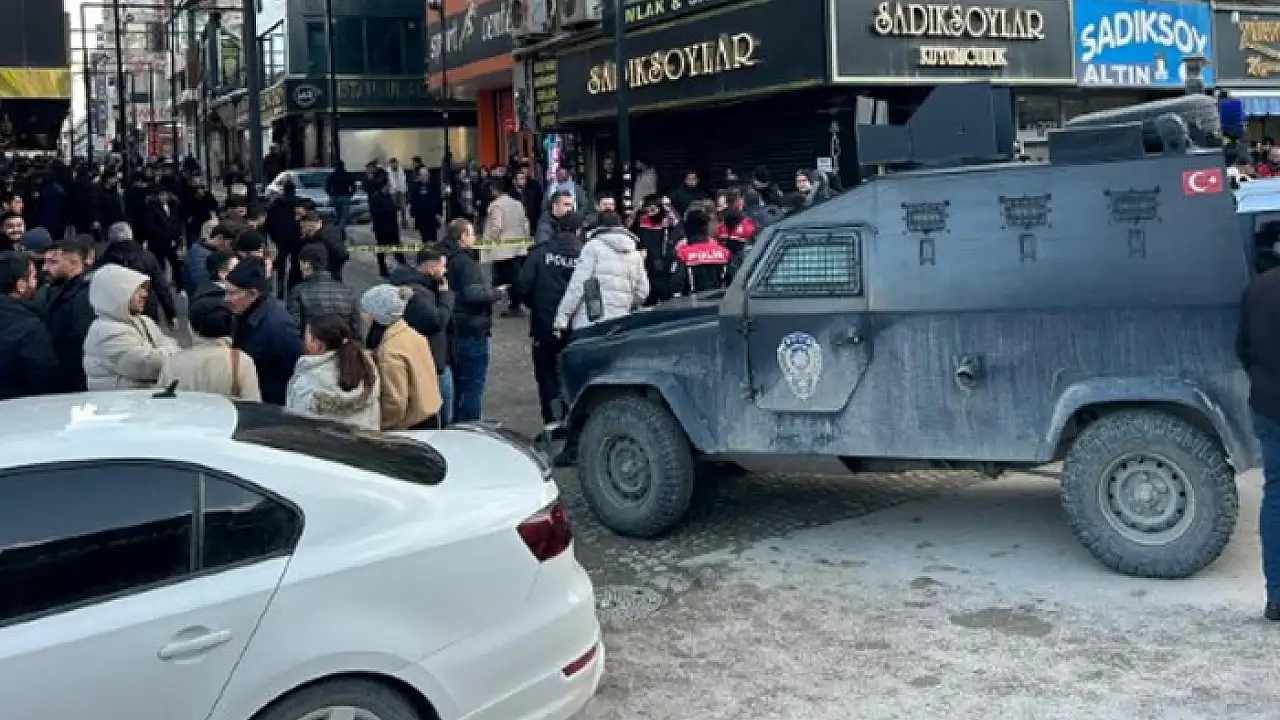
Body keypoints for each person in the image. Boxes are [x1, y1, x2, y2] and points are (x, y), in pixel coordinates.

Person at [1240, 261, 1280, 620]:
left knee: (1276, 497)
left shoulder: (1259, 288)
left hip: (1269, 407)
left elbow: (1242, 348)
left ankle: (1277, 598)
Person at [517, 211, 582, 423]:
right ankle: (573, 422)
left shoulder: (540, 253)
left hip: (544, 325)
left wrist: (536, 306)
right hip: (576, 327)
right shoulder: (585, 254)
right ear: (579, 231)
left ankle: (552, 423)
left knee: (547, 377)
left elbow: (522, 286)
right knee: (574, 376)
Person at [439, 218, 504, 422]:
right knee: (472, 387)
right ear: (463, 237)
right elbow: (474, 295)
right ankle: (470, 427)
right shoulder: (465, 263)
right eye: (472, 234)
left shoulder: (442, 257)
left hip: (450, 331)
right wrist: (496, 293)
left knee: (457, 386)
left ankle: (456, 424)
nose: (475, 237)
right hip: (471, 330)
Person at [82, 263, 180, 390]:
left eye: (144, 289)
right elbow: (150, 365)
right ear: (116, 294)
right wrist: (170, 352)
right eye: (137, 290)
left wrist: (166, 352)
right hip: (118, 401)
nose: (144, 294)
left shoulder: (143, 321)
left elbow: (172, 348)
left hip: (138, 399)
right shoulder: (106, 331)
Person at [361, 284, 442, 430]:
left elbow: (395, 402)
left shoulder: (389, 352)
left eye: (365, 311)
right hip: (428, 413)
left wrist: (379, 425)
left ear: (377, 316)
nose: (362, 315)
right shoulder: (412, 334)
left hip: (410, 424)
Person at [157, 289, 261, 401]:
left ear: (191, 328)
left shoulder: (173, 363)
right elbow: (253, 404)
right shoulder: (241, 362)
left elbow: (160, 401)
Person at [225, 258, 304, 405]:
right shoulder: (242, 313)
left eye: (232, 293)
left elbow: (293, 369)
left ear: (253, 293)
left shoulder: (279, 326)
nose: (226, 299)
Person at [554, 212, 649, 333]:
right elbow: (643, 291)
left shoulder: (593, 247)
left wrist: (562, 318)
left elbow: (578, 285)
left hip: (590, 321)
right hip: (620, 323)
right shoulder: (635, 254)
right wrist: (624, 302)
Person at [392, 247, 456, 426]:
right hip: (432, 362)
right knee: (441, 416)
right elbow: (437, 320)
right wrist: (446, 296)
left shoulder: (422, 287)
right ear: (431, 268)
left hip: (432, 359)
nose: (445, 271)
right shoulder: (419, 294)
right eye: (442, 266)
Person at [286, 313, 381, 430]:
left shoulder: (308, 381)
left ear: (318, 345)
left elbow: (297, 423)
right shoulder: (367, 368)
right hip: (364, 437)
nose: (303, 341)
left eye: (306, 337)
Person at [0, 250, 59, 399]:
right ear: (21, 285)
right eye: (33, 276)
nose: (35, 282)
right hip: (17, 406)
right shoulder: (29, 326)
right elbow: (44, 378)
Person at [40, 236, 96, 392]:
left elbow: (80, 338)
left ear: (74, 262)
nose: (45, 268)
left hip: (75, 379)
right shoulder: (58, 289)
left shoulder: (84, 296)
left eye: (53, 262)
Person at [99, 221, 178, 329]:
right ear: (131, 235)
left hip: (117, 313)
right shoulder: (146, 257)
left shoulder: (104, 261)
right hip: (146, 310)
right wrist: (170, 313)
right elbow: (161, 286)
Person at [482, 179, 531, 317]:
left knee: (505, 278)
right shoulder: (517, 204)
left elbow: (496, 227)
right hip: (518, 246)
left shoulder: (496, 206)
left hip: (502, 249)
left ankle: (510, 302)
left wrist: (490, 242)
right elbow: (525, 223)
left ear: (494, 190)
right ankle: (516, 303)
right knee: (515, 276)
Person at [287, 243, 361, 334]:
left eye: (301, 264)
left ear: (306, 264)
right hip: (342, 341)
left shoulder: (298, 292)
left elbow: (294, 328)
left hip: (312, 340)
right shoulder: (348, 292)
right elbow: (356, 329)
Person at [631, 194, 682, 305]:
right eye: (647, 210)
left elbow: (679, 226)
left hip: (664, 264)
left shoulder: (667, 222)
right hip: (646, 264)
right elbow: (631, 229)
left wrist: (668, 207)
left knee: (666, 297)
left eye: (653, 210)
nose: (650, 213)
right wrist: (637, 210)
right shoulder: (641, 221)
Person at [674, 209, 732, 294]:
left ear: (687, 230)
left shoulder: (683, 255)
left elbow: (676, 285)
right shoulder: (724, 253)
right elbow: (733, 281)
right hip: (720, 300)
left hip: (691, 301)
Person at [145, 184, 185, 292]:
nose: (164, 197)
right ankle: (161, 287)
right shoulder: (152, 208)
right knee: (160, 265)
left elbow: (177, 222)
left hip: (172, 241)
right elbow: (151, 226)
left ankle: (180, 286)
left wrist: (178, 238)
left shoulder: (173, 205)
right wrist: (165, 233)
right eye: (161, 195)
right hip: (159, 242)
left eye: (165, 194)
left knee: (176, 263)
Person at [370, 182, 403, 277]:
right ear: (383, 187)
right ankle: (382, 269)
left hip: (392, 227)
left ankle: (402, 264)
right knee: (382, 249)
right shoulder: (376, 198)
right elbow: (376, 214)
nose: (389, 189)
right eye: (388, 187)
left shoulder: (388, 197)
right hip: (382, 229)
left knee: (397, 248)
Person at [325, 160, 356, 237]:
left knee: (338, 214)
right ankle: (341, 229)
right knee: (344, 215)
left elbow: (327, 187)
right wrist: (350, 194)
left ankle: (339, 228)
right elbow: (353, 186)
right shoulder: (346, 175)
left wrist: (331, 194)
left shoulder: (332, 175)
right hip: (345, 196)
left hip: (335, 197)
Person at [386, 157, 409, 228]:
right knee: (393, 208)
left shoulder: (401, 170)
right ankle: (393, 222)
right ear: (390, 164)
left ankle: (404, 222)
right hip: (393, 192)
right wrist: (393, 188)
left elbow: (404, 180)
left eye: (395, 163)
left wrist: (404, 189)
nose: (394, 165)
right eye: (392, 163)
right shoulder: (387, 171)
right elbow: (389, 181)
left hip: (401, 191)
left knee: (403, 207)